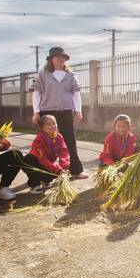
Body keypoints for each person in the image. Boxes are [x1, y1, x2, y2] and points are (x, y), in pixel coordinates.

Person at [29, 46, 87, 179]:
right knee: (44, 143)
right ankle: (43, 174)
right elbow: (37, 93)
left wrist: (78, 110)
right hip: (47, 112)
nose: (61, 59)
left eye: (63, 58)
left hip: (66, 112)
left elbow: (76, 94)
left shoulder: (71, 75)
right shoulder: (42, 74)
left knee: (70, 141)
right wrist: (36, 112)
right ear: (51, 59)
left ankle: (76, 170)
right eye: (57, 57)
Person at [24, 114, 71, 194]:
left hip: (48, 164)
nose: (52, 126)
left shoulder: (59, 137)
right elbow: (42, 159)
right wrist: (57, 170)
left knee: (59, 171)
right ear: (41, 127)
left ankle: (45, 180)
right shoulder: (39, 138)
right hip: (37, 163)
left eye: (54, 123)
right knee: (29, 158)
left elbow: (64, 152)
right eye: (48, 124)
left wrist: (64, 167)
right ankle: (35, 185)